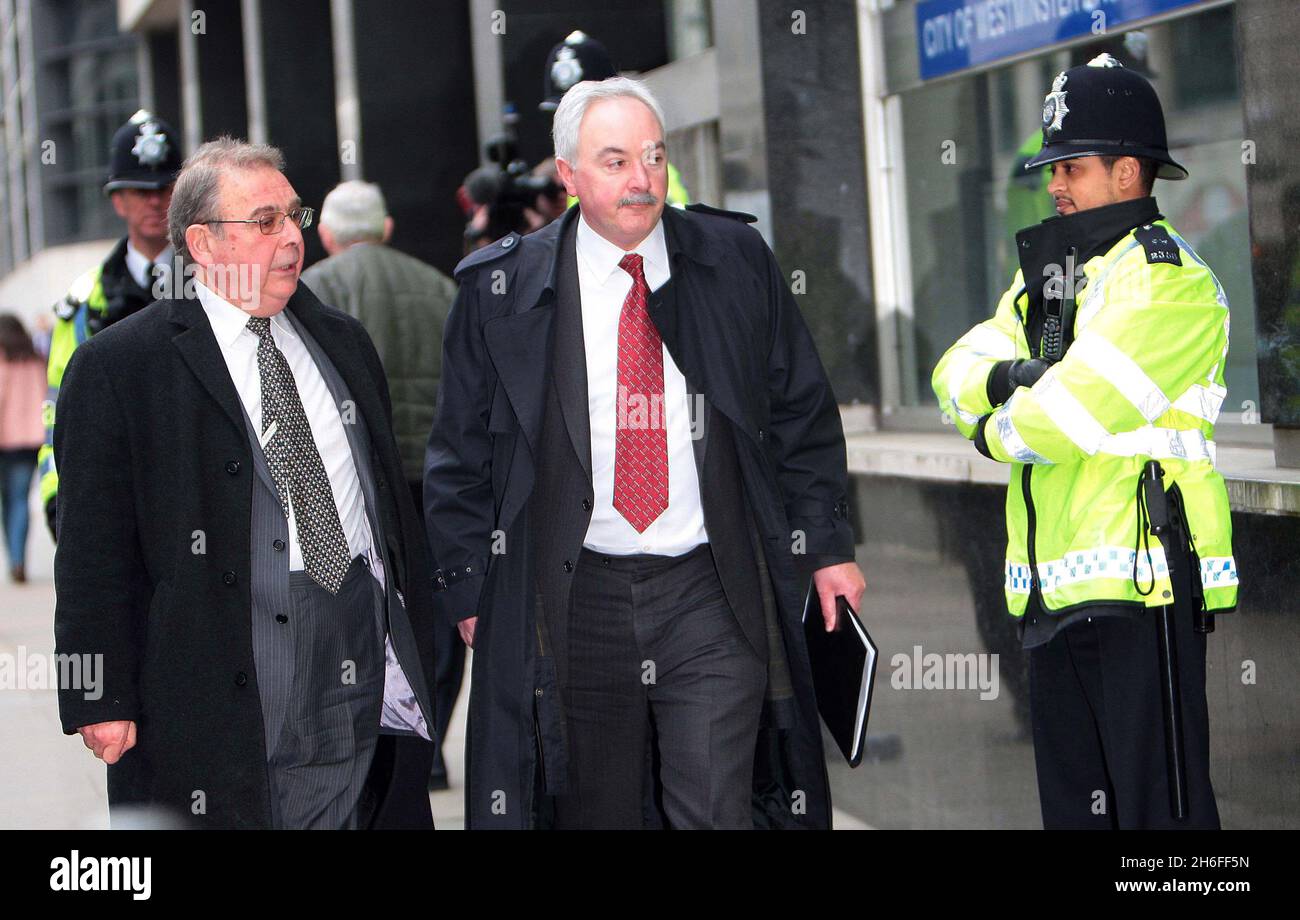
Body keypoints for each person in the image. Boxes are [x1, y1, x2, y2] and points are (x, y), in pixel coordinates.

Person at [424, 77, 865, 829]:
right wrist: (470, 592)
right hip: (576, 594)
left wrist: (826, 547)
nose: (642, 180)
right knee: (598, 806)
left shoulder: (734, 260)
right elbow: (458, 457)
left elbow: (802, 414)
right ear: (567, 176)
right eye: (616, 161)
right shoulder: (501, 290)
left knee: (716, 802)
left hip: (709, 585)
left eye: (654, 158)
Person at [54, 138, 439, 829]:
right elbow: (90, 551)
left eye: (294, 216)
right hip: (221, 666)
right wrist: (98, 695)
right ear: (202, 243)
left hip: (353, 645)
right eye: (265, 222)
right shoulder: (121, 368)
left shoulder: (342, 342)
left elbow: (388, 501)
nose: (292, 237)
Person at [933, 55, 1237, 829]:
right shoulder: (1050, 279)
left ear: (1128, 171)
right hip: (1051, 591)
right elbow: (951, 372)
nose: (1054, 183)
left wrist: (995, 418)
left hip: (1144, 586)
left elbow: (1066, 416)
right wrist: (1010, 375)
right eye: (1051, 167)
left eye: (1071, 165)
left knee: (1160, 820)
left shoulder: (1166, 281)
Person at [302, 179, 464, 790]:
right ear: (387, 226)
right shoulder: (438, 285)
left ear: (325, 234)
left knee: (369, 605)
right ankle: (433, 741)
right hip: (434, 474)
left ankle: (382, 733)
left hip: (361, 478)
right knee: (438, 608)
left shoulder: (314, 289)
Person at [39, 110, 182, 540]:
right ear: (117, 200)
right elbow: (56, 414)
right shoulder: (84, 304)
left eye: (165, 188)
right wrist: (55, 499)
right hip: (118, 508)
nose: (155, 201)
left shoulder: (220, 285)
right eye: (140, 190)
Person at [0, 315, 45, 583]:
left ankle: (14, 557)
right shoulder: (35, 356)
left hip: (5, 441)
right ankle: (19, 558)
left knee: (8, 501)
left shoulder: (3, 357)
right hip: (30, 441)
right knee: (20, 500)